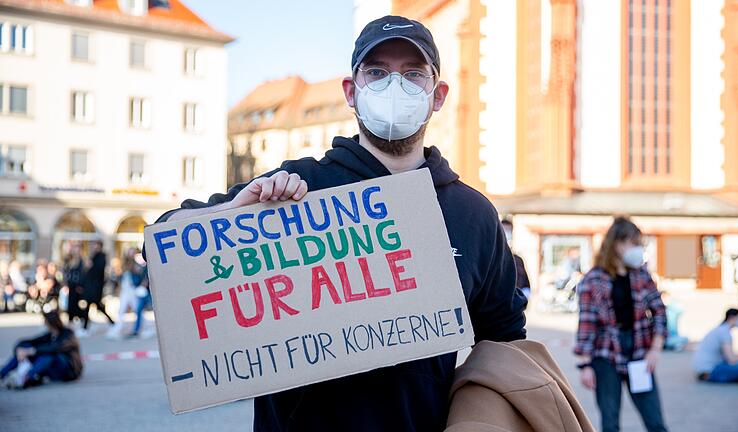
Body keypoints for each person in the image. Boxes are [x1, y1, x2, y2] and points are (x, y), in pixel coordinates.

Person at [151, 15, 527, 432]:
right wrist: (233, 216)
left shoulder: (472, 214)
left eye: (413, 73)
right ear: (352, 91)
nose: (394, 85)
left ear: (437, 95)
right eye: (377, 72)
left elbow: (504, 337)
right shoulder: (295, 188)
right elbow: (166, 248)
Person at [574, 216, 668, 432]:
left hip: (640, 355)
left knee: (655, 422)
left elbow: (660, 312)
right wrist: (585, 366)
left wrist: (655, 350)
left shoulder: (642, 275)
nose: (639, 249)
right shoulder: (593, 279)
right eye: (635, 244)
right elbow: (587, 324)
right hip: (605, 356)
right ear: (618, 244)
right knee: (610, 423)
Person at [0, 311, 83, 389]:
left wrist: (31, 351)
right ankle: (2, 374)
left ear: (50, 323)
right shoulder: (50, 335)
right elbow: (27, 341)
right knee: (26, 346)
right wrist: (19, 350)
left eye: (45, 323)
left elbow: (55, 348)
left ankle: (26, 377)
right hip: (52, 369)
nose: (44, 325)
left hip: (69, 371)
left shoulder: (68, 335)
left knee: (48, 355)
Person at [692, 308, 738, 383]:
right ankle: (722, 377)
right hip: (710, 370)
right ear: (731, 317)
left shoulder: (720, 329)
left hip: (702, 369)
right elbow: (731, 359)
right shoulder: (725, 333)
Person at [81, 240, 114, 335]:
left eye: (95, 245)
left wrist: (90, 266)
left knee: (94, 306)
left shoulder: (101, 257)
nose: (94, 247)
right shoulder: (94, 256)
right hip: (91, 286)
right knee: (94, 306)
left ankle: (85, 328)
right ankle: (111, 323)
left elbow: (98, 271)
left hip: (96, 287)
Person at [501, 219, 531, 299]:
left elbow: (526, 286)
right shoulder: (491, 260)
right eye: (504, 230)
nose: (507, 233)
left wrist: (520, 299)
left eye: (508, 230)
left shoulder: (517, 260)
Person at [62, 244, 86, 327]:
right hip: (70, 285)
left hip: (77, 286)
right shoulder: (69, 260)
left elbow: (83, 274)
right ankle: (71, 320)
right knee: (70, 304)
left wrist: (81, 285)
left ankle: (82, 317)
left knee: (75, 304)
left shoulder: (81, 261)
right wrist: (65, 283)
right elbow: (65, 272)